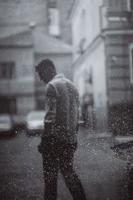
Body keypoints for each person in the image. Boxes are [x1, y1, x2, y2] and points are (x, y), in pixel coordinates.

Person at [35, 59, 87, 200]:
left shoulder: (52, 86)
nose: (40, 79)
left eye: (40, 74)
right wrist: (73, 138)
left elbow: (49, 118)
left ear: (49, 69)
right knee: (68, 172)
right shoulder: (73, 86)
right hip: (69, 139)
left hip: (53, 140)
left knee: (50, 179)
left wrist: (44, 141)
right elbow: (77, 116)